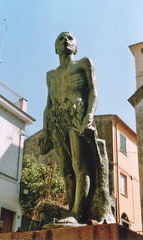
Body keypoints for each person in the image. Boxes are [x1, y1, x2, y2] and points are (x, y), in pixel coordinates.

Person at [39, 32, 102, 223]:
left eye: (70, 38)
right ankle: (72, 211)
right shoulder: (50, 75)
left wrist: (89, 116)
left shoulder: (84, 63)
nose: (65, 40)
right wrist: (45, 131)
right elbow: (48, 104)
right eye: (60, 39)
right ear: (56, 49)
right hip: (58, 120)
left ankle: (78, 213)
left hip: (77, 116)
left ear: (75, 47)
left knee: (80, 165)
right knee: (66, 169)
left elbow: (93, 91)